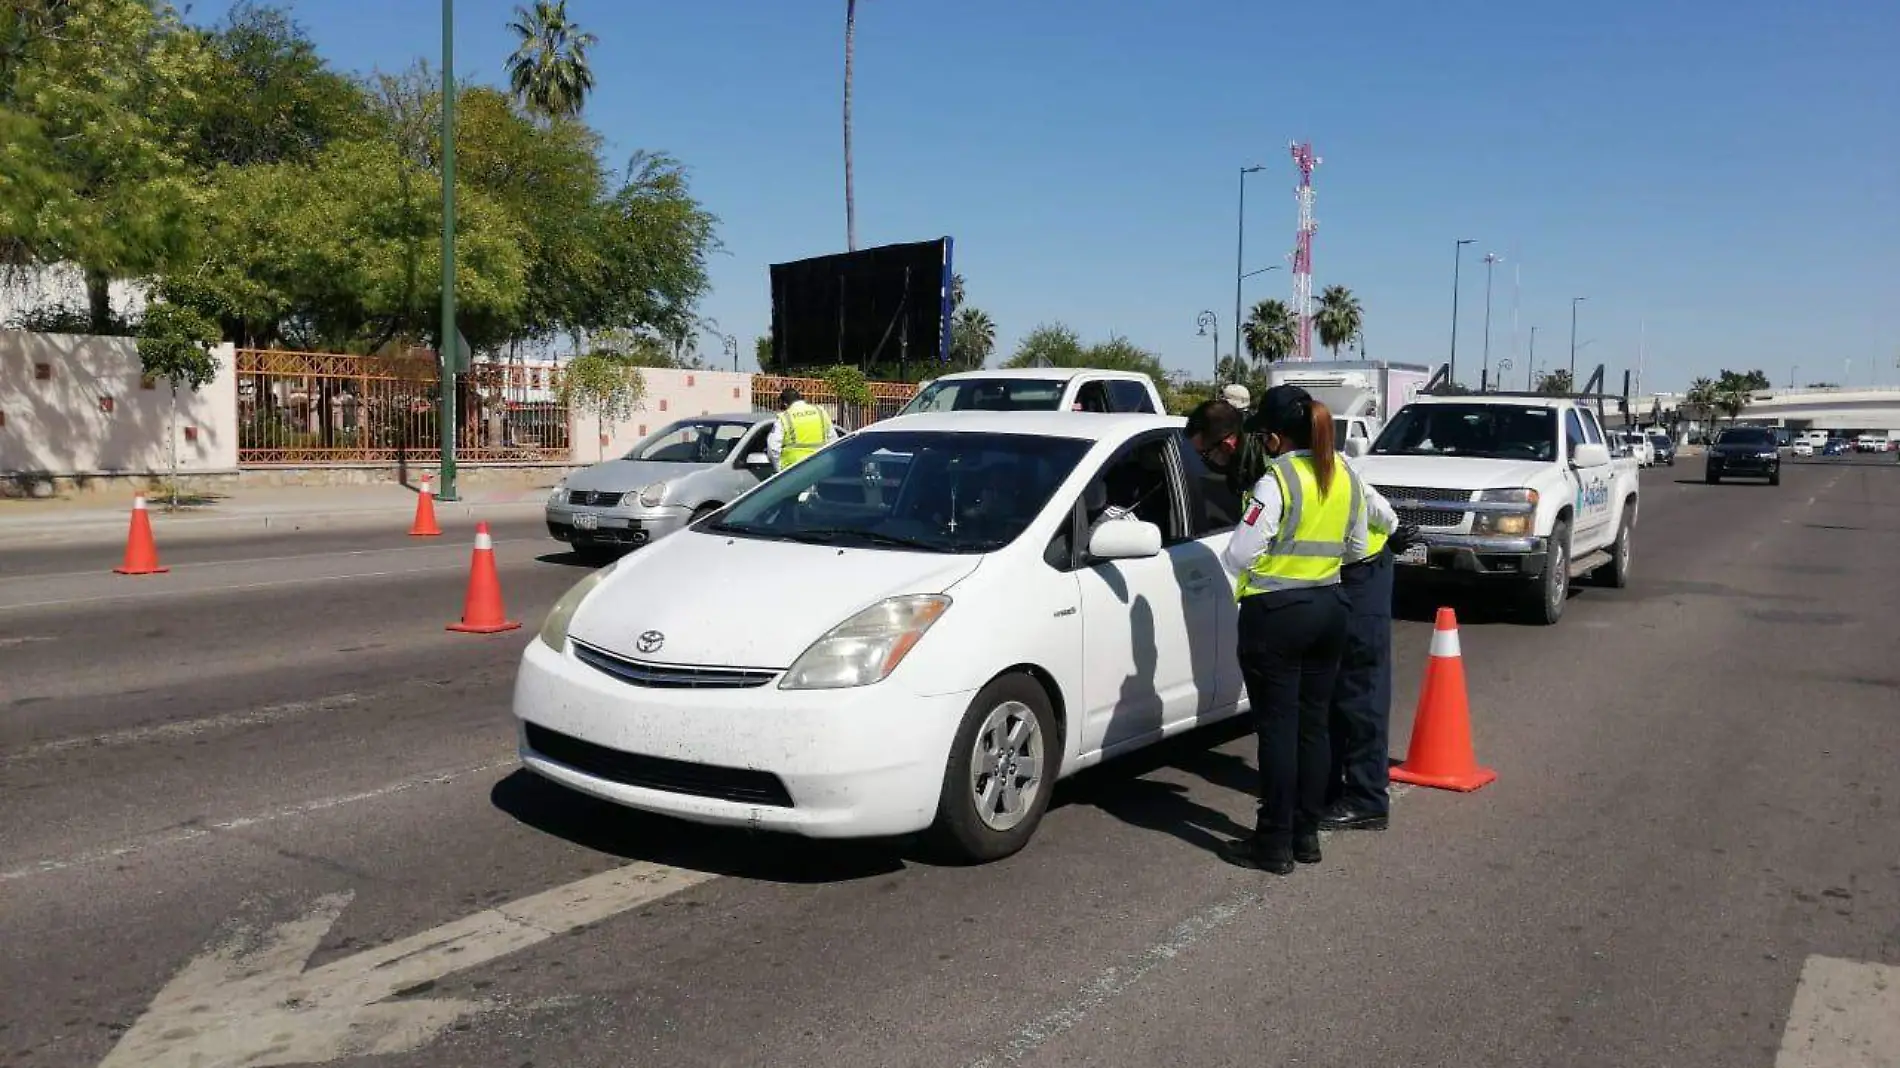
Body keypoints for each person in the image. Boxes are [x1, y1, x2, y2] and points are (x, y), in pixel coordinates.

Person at [1216, 385, 1366, 875]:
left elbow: (1239, 553)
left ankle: (1273, 841)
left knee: (1277, 730)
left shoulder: (1276, 480)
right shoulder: (1344, 473)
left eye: (1263, 436)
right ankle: (1306, 834)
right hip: (1330, 608)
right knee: (1313, 726)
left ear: (1276, 438)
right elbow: (1359, 545)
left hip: (1276, 615)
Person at [1320, 452, 1419, 832]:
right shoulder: (1316, 464)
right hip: (1352, 573)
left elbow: (1375, 506)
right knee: (1337, 690)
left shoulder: (1322, 468)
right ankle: (1333, 788)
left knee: (1360, 692)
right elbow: (1381, 508)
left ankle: (1367, 799)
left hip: (1363, 575)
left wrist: (1391, 533)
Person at [1183, 399, 1244, 528]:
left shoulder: (1264, 475)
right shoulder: (1236, 469)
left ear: (1227, 446)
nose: (1201, 460)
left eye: (1204, 453)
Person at [766, 386, 838, 470]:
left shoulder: (784, 417)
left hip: (795, 470)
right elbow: (833, 439)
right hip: (820, 466)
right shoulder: (820, 411)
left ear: (784, 404)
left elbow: (773, 448)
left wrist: (778, 469)